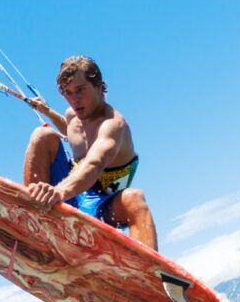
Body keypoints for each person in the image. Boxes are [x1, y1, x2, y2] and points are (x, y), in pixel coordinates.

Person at [22, 56, 158, 250]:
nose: (74, 100)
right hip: (71, 197)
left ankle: (150, 274)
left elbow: (94, 164)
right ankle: (35, 218)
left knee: (134, 198)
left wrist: (59, 191)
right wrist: (47, 112)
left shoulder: (113, 125)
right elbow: (73, 132)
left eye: (80, 90)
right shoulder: (73, 116)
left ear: (99, 87)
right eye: (67, 93)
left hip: (104, 208)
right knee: (42, 135)